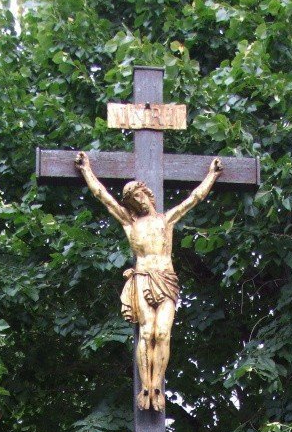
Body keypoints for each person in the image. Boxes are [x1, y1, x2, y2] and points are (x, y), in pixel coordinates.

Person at [75, 151, 222, 411]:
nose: (138, 201)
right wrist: (86, 169)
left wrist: (212, 175)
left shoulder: (167, 220)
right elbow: (102, 196)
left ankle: (157, 386)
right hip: (142, 278)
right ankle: (146, 386)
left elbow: (194, 198)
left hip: (166, 279)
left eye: (139, 195)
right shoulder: (129, 223)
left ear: (147, 193)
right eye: (132, 199)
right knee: (146, 332)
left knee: (162, 333)